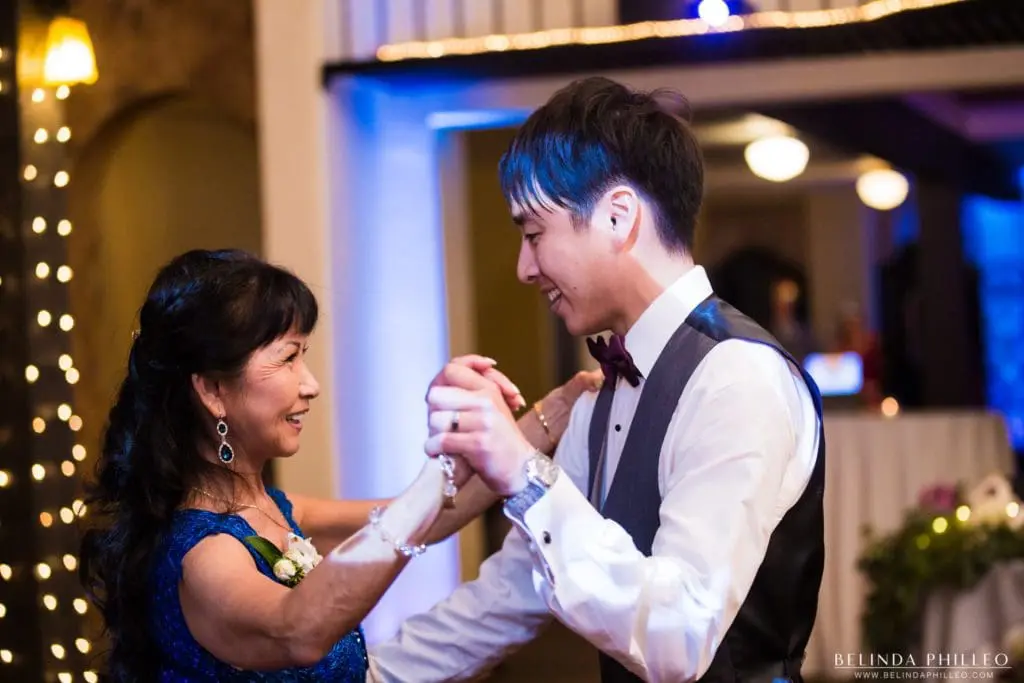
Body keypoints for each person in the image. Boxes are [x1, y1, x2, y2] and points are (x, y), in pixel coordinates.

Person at [370, 77, 826, 683]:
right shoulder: (599, 392)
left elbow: (679, 638)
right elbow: (512, 591)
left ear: (617, 216)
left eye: (534, 235)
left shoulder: (738, 376)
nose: (524, 268)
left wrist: (522, 471)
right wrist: (367, 674)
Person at [77, 249, 598, 682]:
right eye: (288, 358)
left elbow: (433, 518)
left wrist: (556, 411)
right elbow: (297, 629)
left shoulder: (273, 507)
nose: (311, 384)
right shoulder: (205, 555)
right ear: (212, 390)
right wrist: (438, 470)